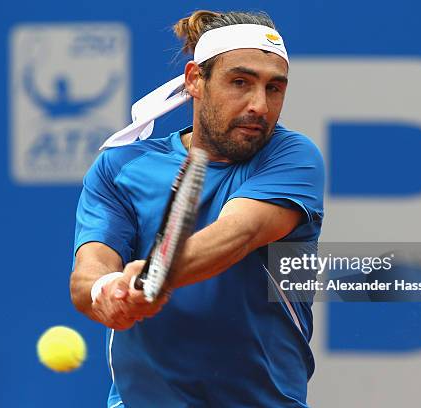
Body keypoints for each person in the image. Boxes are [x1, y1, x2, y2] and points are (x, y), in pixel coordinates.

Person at [70, 10, 324, 408]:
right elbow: (89, 272)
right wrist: (107, 290)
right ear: (195, 80)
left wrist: (156, 275)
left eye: (275, 88)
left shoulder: (293, 156)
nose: (259, 104)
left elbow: (237, 234)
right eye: (240, 82)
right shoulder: (120, 167)